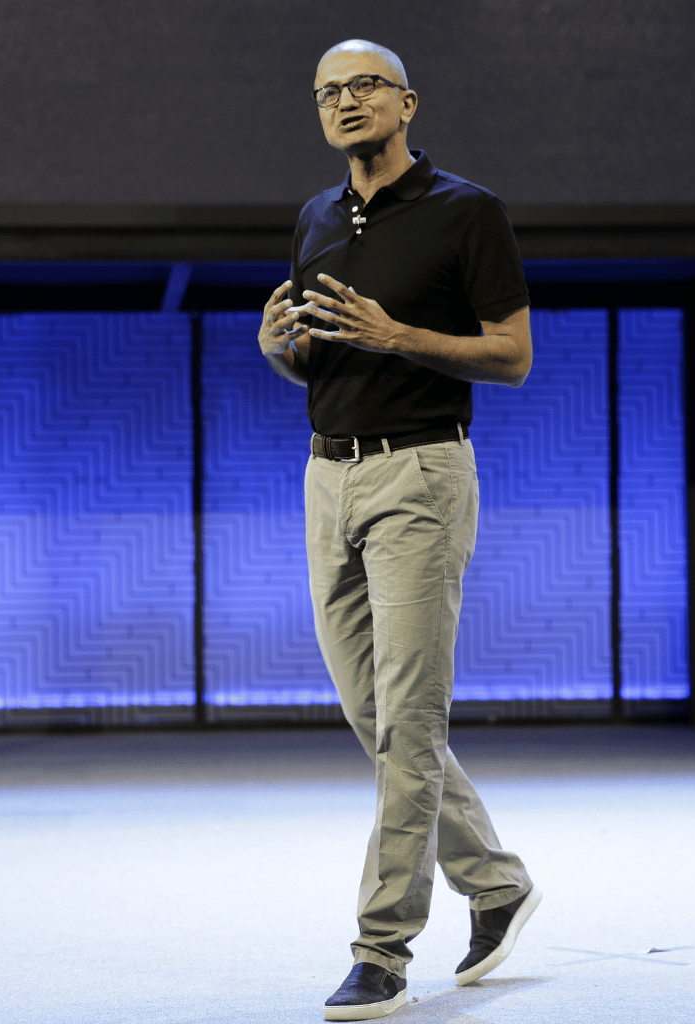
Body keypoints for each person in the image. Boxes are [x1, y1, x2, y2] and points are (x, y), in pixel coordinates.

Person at [258, 38, 541, 1022]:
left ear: (406, 103)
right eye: (327, 90)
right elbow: (325, 364)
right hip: (325, 478)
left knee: (408, 723)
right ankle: (497, 879)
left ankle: (381, 948)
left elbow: (511, 356)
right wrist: (281, 353)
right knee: (379, 722)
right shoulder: (313, 219)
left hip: (421, 471)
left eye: (363, 85)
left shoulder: (468, 211)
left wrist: (397, 334)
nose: (344, 101)